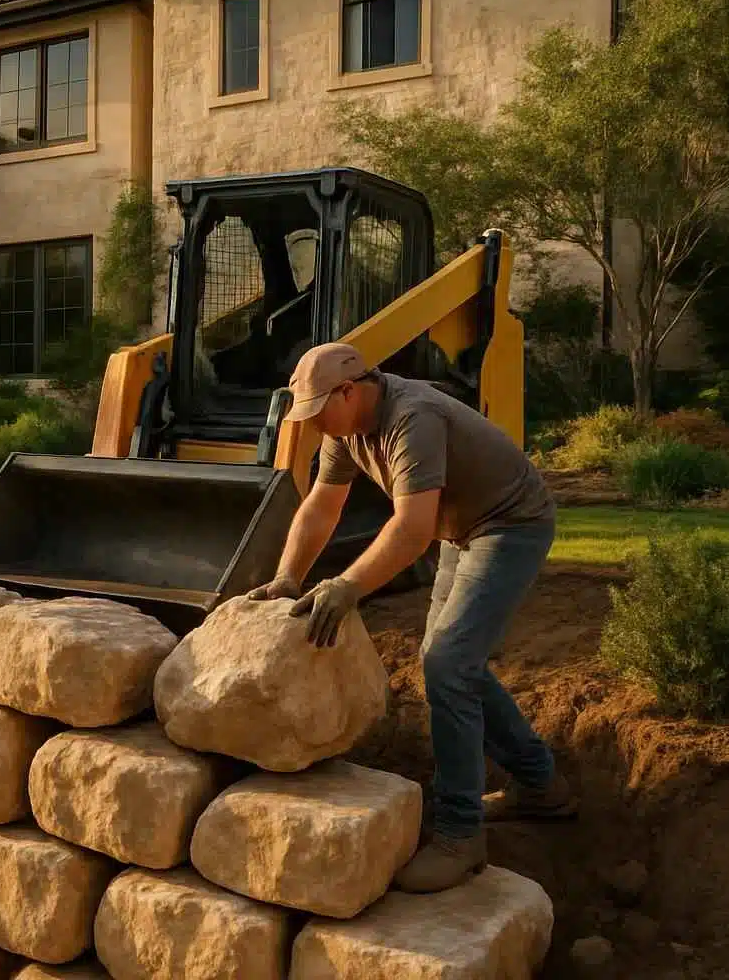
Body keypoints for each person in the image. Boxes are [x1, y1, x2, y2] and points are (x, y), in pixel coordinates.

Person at [247, 342, 576, 893]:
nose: (315, 425)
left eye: (319, 411)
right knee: (448, 663)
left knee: (449, 663)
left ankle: (459, 834)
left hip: (509, 524)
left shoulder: (411, 419)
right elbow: (323, 506)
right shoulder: (344, 430)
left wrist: (347, 585)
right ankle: (540, 785)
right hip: (460, 529)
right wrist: (288, 577)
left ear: (350, 391)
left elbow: (411, 528)